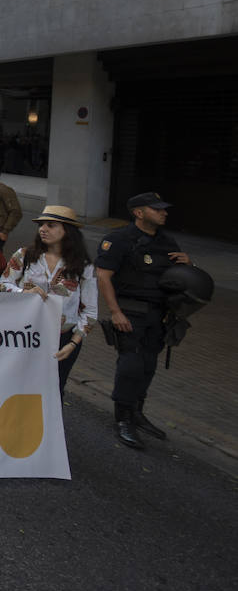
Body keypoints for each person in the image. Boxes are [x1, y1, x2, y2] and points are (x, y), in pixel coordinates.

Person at [95, 192, 191, 449]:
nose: (164, 213)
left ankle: (137, 412)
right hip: (130, 311)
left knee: (148, 365)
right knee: (130, 365)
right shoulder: (118, 240)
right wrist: (115, 312)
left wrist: (188, 266)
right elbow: (103, 277)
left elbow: (178, 280)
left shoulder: (168, 242)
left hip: (159, 314)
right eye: (157, 209)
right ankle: (123, 419)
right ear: (139, 213)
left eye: (163, 209)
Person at [0, 206, 96, 398]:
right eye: (41, 225)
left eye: (51, 225)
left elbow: (90, 311)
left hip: (63, 339)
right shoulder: (25, 255)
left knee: (54, 390)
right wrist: (24, 292)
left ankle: (51, 428)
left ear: (67, 231)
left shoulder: (83, 266)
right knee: (21, 387)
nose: (43, 229)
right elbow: (2, 285)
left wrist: (73, 344)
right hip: (25, 334)